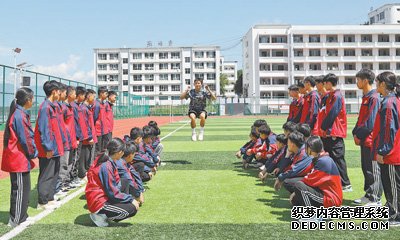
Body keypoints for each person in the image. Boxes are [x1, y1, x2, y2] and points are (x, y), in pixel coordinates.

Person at [1, 88, 37, 227]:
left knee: (25, 189)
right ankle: (15, 220)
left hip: (20, 159)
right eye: (32, 99)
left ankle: (22, 216)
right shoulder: (19, 116)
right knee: (20, 190)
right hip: (18, 159)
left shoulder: (20, 114)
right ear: (27, 100)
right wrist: (33, 153)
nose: (33, 102)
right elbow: (26, 139)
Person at [85, 138, 140, 227]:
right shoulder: (106, 166)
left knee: (125, 182)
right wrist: (131, 199)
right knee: (132, 209)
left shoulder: (106, 157)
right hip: (99, 202)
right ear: (119, 153)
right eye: (123, 152)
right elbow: (112, 192)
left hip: (101, 194)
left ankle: (111, 210)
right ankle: (100, 215)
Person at [372, 71, 400, 226]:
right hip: (392, 151)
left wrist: (383, 151)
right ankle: (391, 210)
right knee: (390, 184)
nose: (376, 84)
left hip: (391, 154)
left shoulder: (389, 103)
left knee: (393, 186)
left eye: (377, 82)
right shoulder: (390, 100)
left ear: (383, 84)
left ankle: (396, 215)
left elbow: (389, 129)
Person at [352, 69, 382, 205]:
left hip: (371, 141)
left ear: (365, 81)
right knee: (366, 168)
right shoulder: (367, 97)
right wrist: (355, 133)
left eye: (358, 80)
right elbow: (361, 119)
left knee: (373, 170)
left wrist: (359, 135)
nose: (356, 82)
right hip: (365, 140)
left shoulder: (374, 98)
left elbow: (371, 122)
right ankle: (369, 194)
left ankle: (375, 198)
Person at [34, 80, 65, 209]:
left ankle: (50, 197)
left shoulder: (54, 106)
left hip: (56, 146)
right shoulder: (45, 107)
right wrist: (48, 147)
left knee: (54, 173)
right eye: (59, 91)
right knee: (46, 174)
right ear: (54, 92)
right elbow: (44, 129)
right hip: (49, 148)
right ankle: (42, 201)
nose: (60, 93)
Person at [290, 136, 343, 208]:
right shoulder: (321, 158)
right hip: (325, 194)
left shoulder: (324, 161)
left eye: (307, 147)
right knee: (295, 199)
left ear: (311, 148)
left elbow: (311, 180)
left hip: (331, 199)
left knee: (299, 185)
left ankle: (312, 215)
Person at [320, 73, 352, 192]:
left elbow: (333, 113)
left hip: (335, 131)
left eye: (325, 83)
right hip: (330, 131)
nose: (324, 85)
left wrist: (323, 127)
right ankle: (337, 181)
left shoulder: (337, 96)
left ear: (329, 83)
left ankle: (346, 183)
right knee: (332, 157)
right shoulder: (331, 95)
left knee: (338, 158)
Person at [94, 86, 108, 155]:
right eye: (106, 93)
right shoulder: (97, 104)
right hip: (98, 131)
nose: (107, 95)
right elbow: (94, 117)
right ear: (101, 94)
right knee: (97, 150)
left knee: (102, 149)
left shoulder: (103, 104)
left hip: (103, 130)